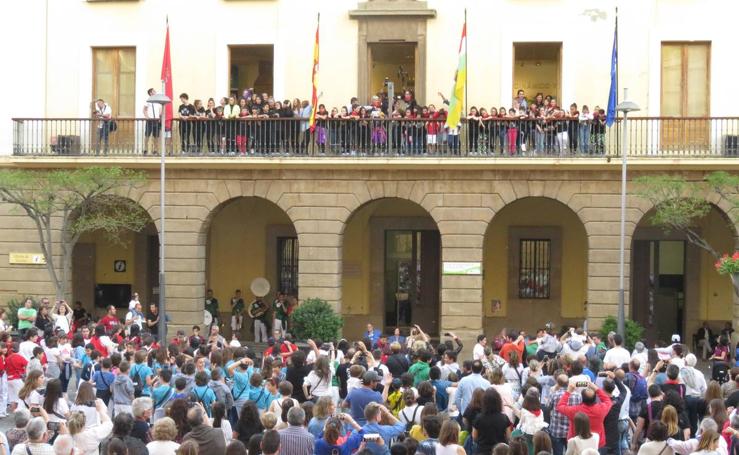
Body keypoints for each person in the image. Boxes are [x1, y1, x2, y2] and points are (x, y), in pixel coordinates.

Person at [556, 382, 612, 448]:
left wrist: (568, 392)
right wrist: (597, 389)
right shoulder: (601, 409)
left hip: (577, 443)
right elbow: (608, 401)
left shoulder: (575, 410)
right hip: (597, 443)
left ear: (582, 398)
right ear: (595, 398)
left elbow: (560, 406)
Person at [472, 388, 511, 455]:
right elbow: (508, 436)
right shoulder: (504, 418)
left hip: (482, 451)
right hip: (500, 451)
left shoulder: (479, 418)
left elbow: (474, 437)